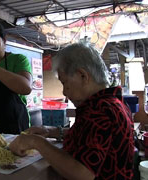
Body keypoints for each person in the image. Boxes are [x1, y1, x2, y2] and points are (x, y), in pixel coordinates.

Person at [9, 42, 134, 179]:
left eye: (64, 82)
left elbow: (82, 174)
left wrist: (36, 142)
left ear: (83, 76)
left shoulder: (100, 111)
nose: (64, 91)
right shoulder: (113, 102)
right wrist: (53, 131)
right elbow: (93, 136)